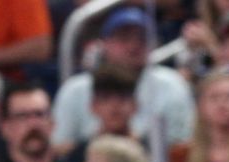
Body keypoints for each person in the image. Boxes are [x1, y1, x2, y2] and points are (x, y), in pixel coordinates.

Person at [50, 8, 193, 153]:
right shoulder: (74, 88)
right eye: (123, 38)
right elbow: (60, 148)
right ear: (105, 43)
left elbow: (182, 146)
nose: (133, 46)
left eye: (142, 38)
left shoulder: (172, 83)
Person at [63, 63, 137, 162]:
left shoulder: (151, 152)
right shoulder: (78, 156)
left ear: (135, 105)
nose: (114, 106)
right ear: (93, 106)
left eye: (122, 98)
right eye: (106, 98)